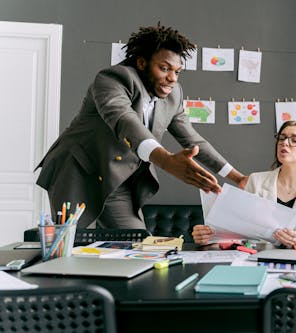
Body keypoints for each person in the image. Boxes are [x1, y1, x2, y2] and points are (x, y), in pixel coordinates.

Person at [36, 24, 246, 229]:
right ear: (142, 62)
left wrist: (238, 177)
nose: (172, 78)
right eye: (164, 69)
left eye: (177, 71)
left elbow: (192, 139)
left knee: (137, 244)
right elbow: (124, 120)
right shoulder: (113, 79)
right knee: (71, 247)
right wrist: (165, 160)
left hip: (116, 180)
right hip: (77, 171)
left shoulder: (173, 95)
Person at [192, 119, 296, 246]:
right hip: (259, 258)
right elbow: (241, 229)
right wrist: (209, 235)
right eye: (281, 138)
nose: (284, 142)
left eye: (294, 140)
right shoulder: (256, 180)